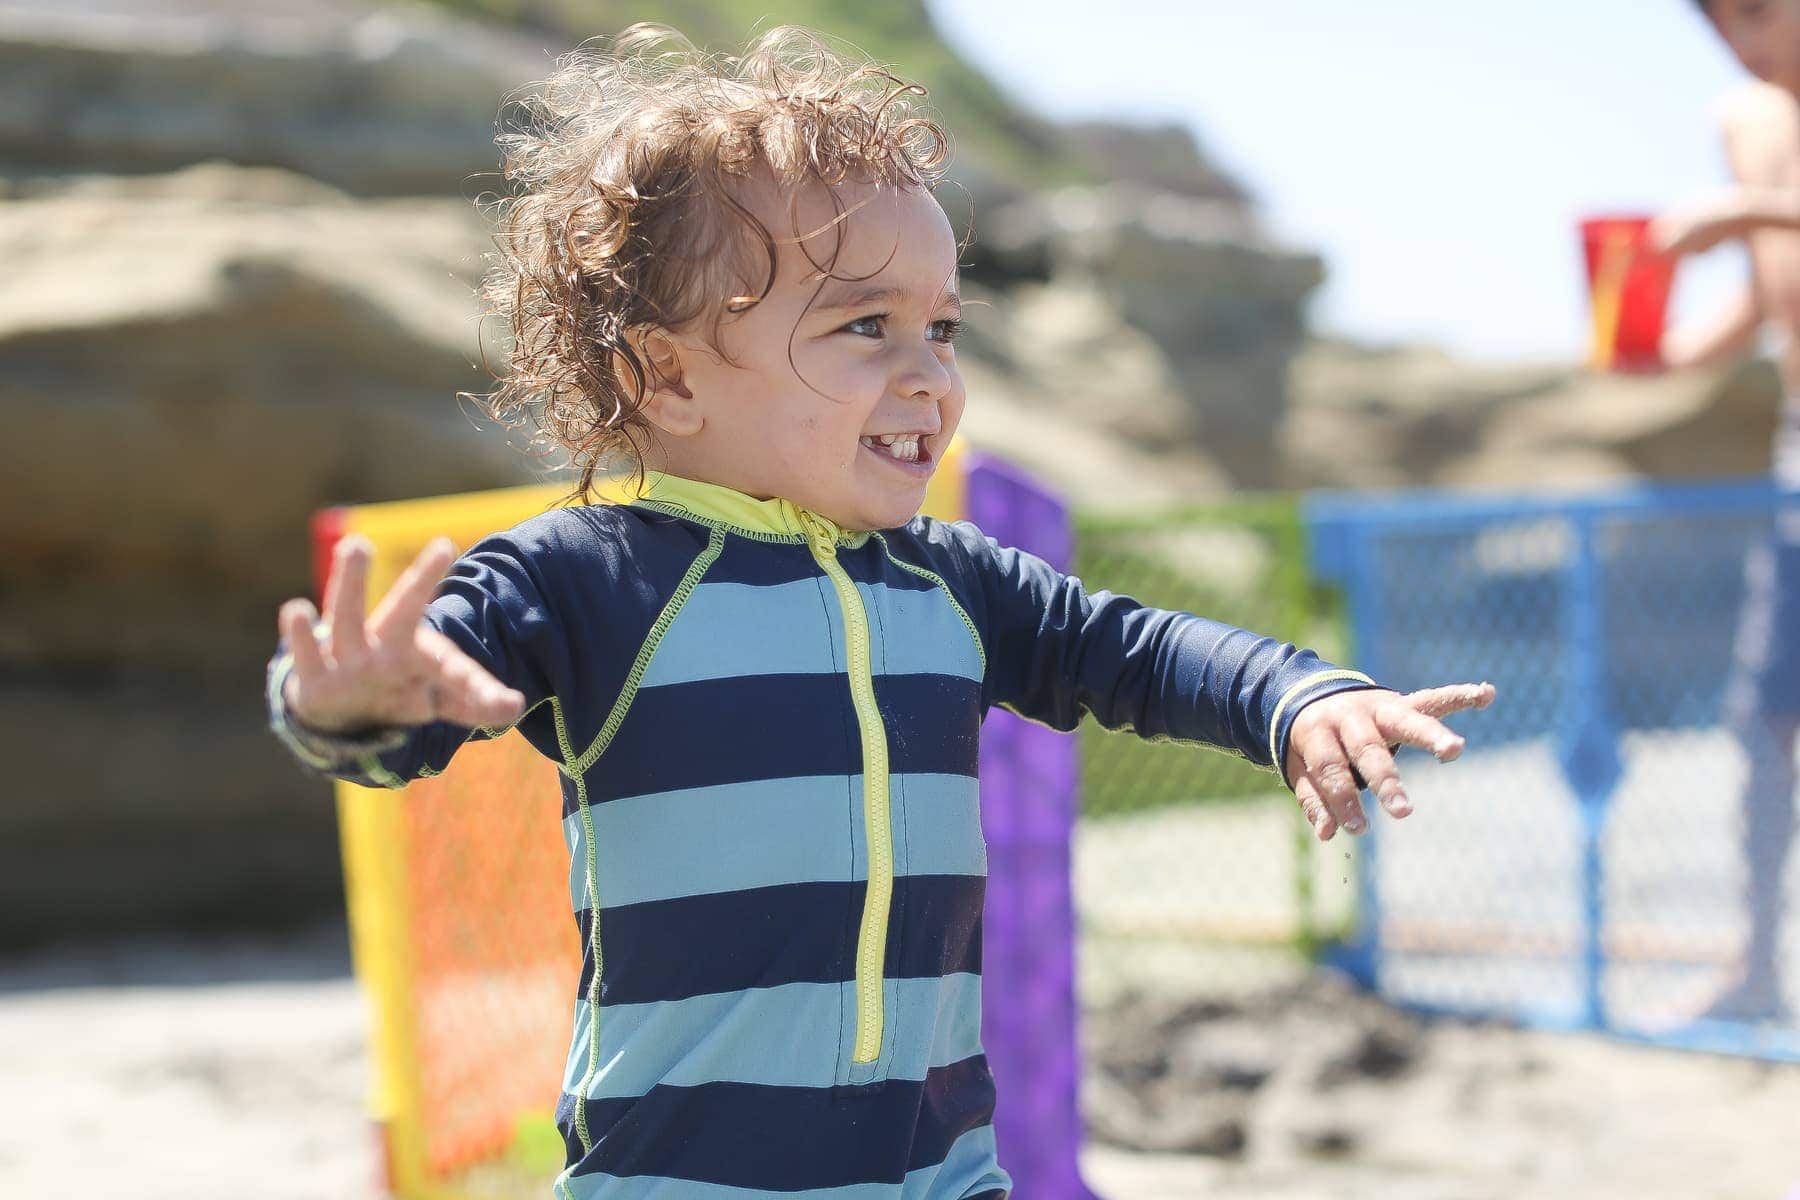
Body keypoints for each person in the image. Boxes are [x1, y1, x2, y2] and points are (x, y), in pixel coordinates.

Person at [264, 24, 1495, 1198]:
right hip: (687, 1179)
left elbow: (1136, 647)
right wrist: (352, 701)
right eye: (866, 326)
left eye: (944, 328)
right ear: (670, 378)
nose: (931, 375)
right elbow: (415, 693)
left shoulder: (951, 581)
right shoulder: (589, 575)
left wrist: (1295, 694)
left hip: (942, 1172)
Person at [1653, 0, 1800, 1021]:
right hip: (1796, 471)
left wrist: (1748, 214)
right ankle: (1756, 968)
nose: (1744, 41)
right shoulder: (1749, 119)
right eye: (1721, 21)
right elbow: (1770, 290)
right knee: (1763, 723)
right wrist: (1667, 346)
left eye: (1758, 10)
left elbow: (1763, 235)